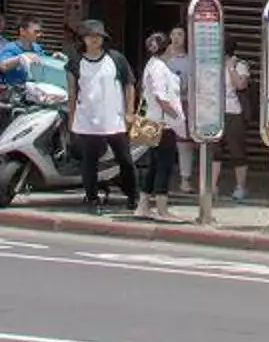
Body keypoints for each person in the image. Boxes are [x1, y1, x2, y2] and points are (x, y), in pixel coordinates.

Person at [67, 19, 138, 214]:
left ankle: (134, 196)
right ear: (83, 39)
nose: (94, 40)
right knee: (90, 162)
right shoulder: (75, 62)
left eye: (98, 36)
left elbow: (129, 84)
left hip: (114, 118)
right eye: (90, 36)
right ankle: (92, 199)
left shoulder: (116, 59)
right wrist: (71, 120)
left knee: (125, 159)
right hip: (88, 119)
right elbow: (72, 93)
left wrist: (129, 111)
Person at [136, 32, 185, 221]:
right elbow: (160, 96)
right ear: (169, 48)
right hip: (162, 123)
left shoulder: (154, 65)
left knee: (155, 164)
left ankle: (143, 205)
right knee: (164, 164)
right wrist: (176, 115)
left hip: (152, 120)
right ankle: (162, 209)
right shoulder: (158, 68)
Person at [165, 27, 194, 191]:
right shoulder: (163, 59)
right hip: (164, 105)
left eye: (180, 34)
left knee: (184, 144)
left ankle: (185, 179)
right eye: (174, 34)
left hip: (184, 103)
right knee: (164, 143)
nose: (176, 38)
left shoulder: (190, 60)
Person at [221, 48, 252, 201]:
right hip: (214, 111)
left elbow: (241, 85)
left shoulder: (240, 64)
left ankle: (240, 186)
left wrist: (230, 68)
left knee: (237, 150)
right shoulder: (211, 62)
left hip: (234, 111)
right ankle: (211, 186)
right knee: (213, 150)